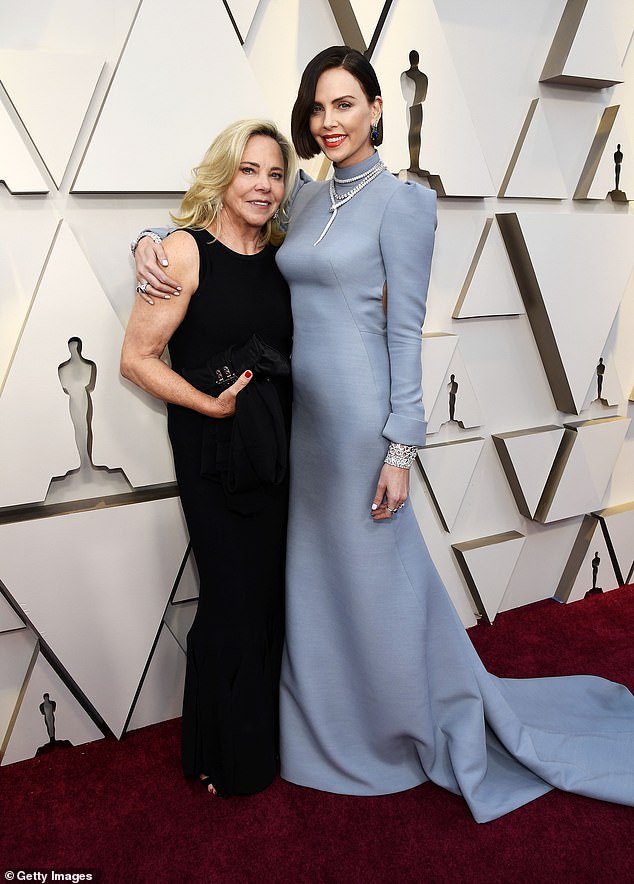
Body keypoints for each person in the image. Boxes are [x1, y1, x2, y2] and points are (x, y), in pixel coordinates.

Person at [132, 48, 634, 823]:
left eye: (344, 105)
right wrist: (145, 240)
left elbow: (407, 333)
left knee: (377, 586)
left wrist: (402, 446)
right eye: (318, 109)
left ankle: (395, 728)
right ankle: (322, 727)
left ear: (375, 108)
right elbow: (225, 217)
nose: (328, 122)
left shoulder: (404, 203)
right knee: (319, 587)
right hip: (299, 429)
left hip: (362, 426)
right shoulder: (305, 198)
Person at [121, 119, 296, 797]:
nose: (262, 185)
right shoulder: (184, 253)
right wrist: (208, 403)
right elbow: (135, 361)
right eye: (249, 170)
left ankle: (249, 744)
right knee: (229, 598)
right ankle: (221, 756)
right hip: (212, 452)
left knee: (268, 599)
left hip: (277, 451)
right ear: (224, 175)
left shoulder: (285, 257)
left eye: (275, 174)